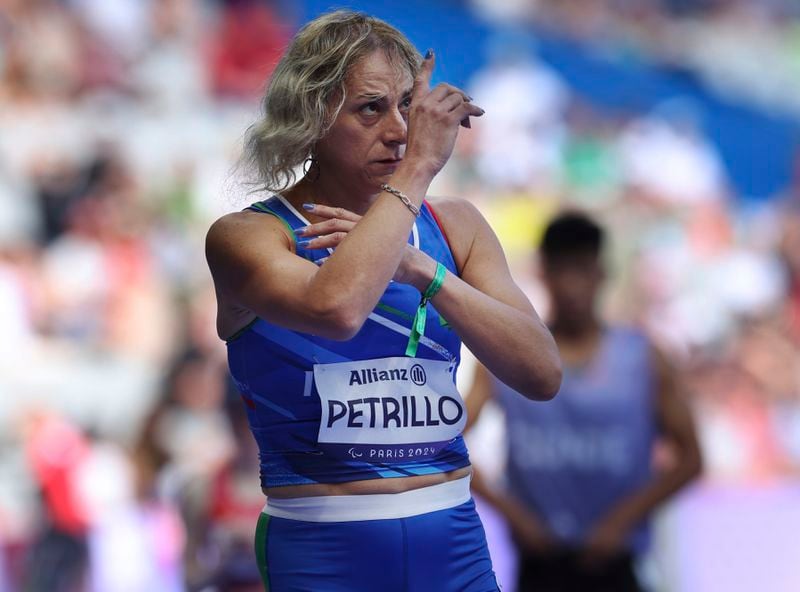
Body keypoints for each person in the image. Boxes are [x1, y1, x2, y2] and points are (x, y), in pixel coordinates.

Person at [204, 10, 562, 592]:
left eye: (406, 107)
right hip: (323, 550)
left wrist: (424, 271)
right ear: (312, 114)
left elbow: (542, 373)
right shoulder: (249, 235)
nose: (399, 131)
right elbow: (337, 311)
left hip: (453, 542)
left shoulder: (456, 227)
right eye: (371, 108)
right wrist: (419, 168)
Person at [465, 212, 703, 592]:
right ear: (544, 274)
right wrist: (514, 516)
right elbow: (448, 441)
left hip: (615, 560)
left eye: (583, 270)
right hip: (540, 561)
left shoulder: (643, 359)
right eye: (563, 271)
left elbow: (691, 458)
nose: (573, 286)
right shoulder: (508, 356)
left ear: (602, 273)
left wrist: (622, 521)